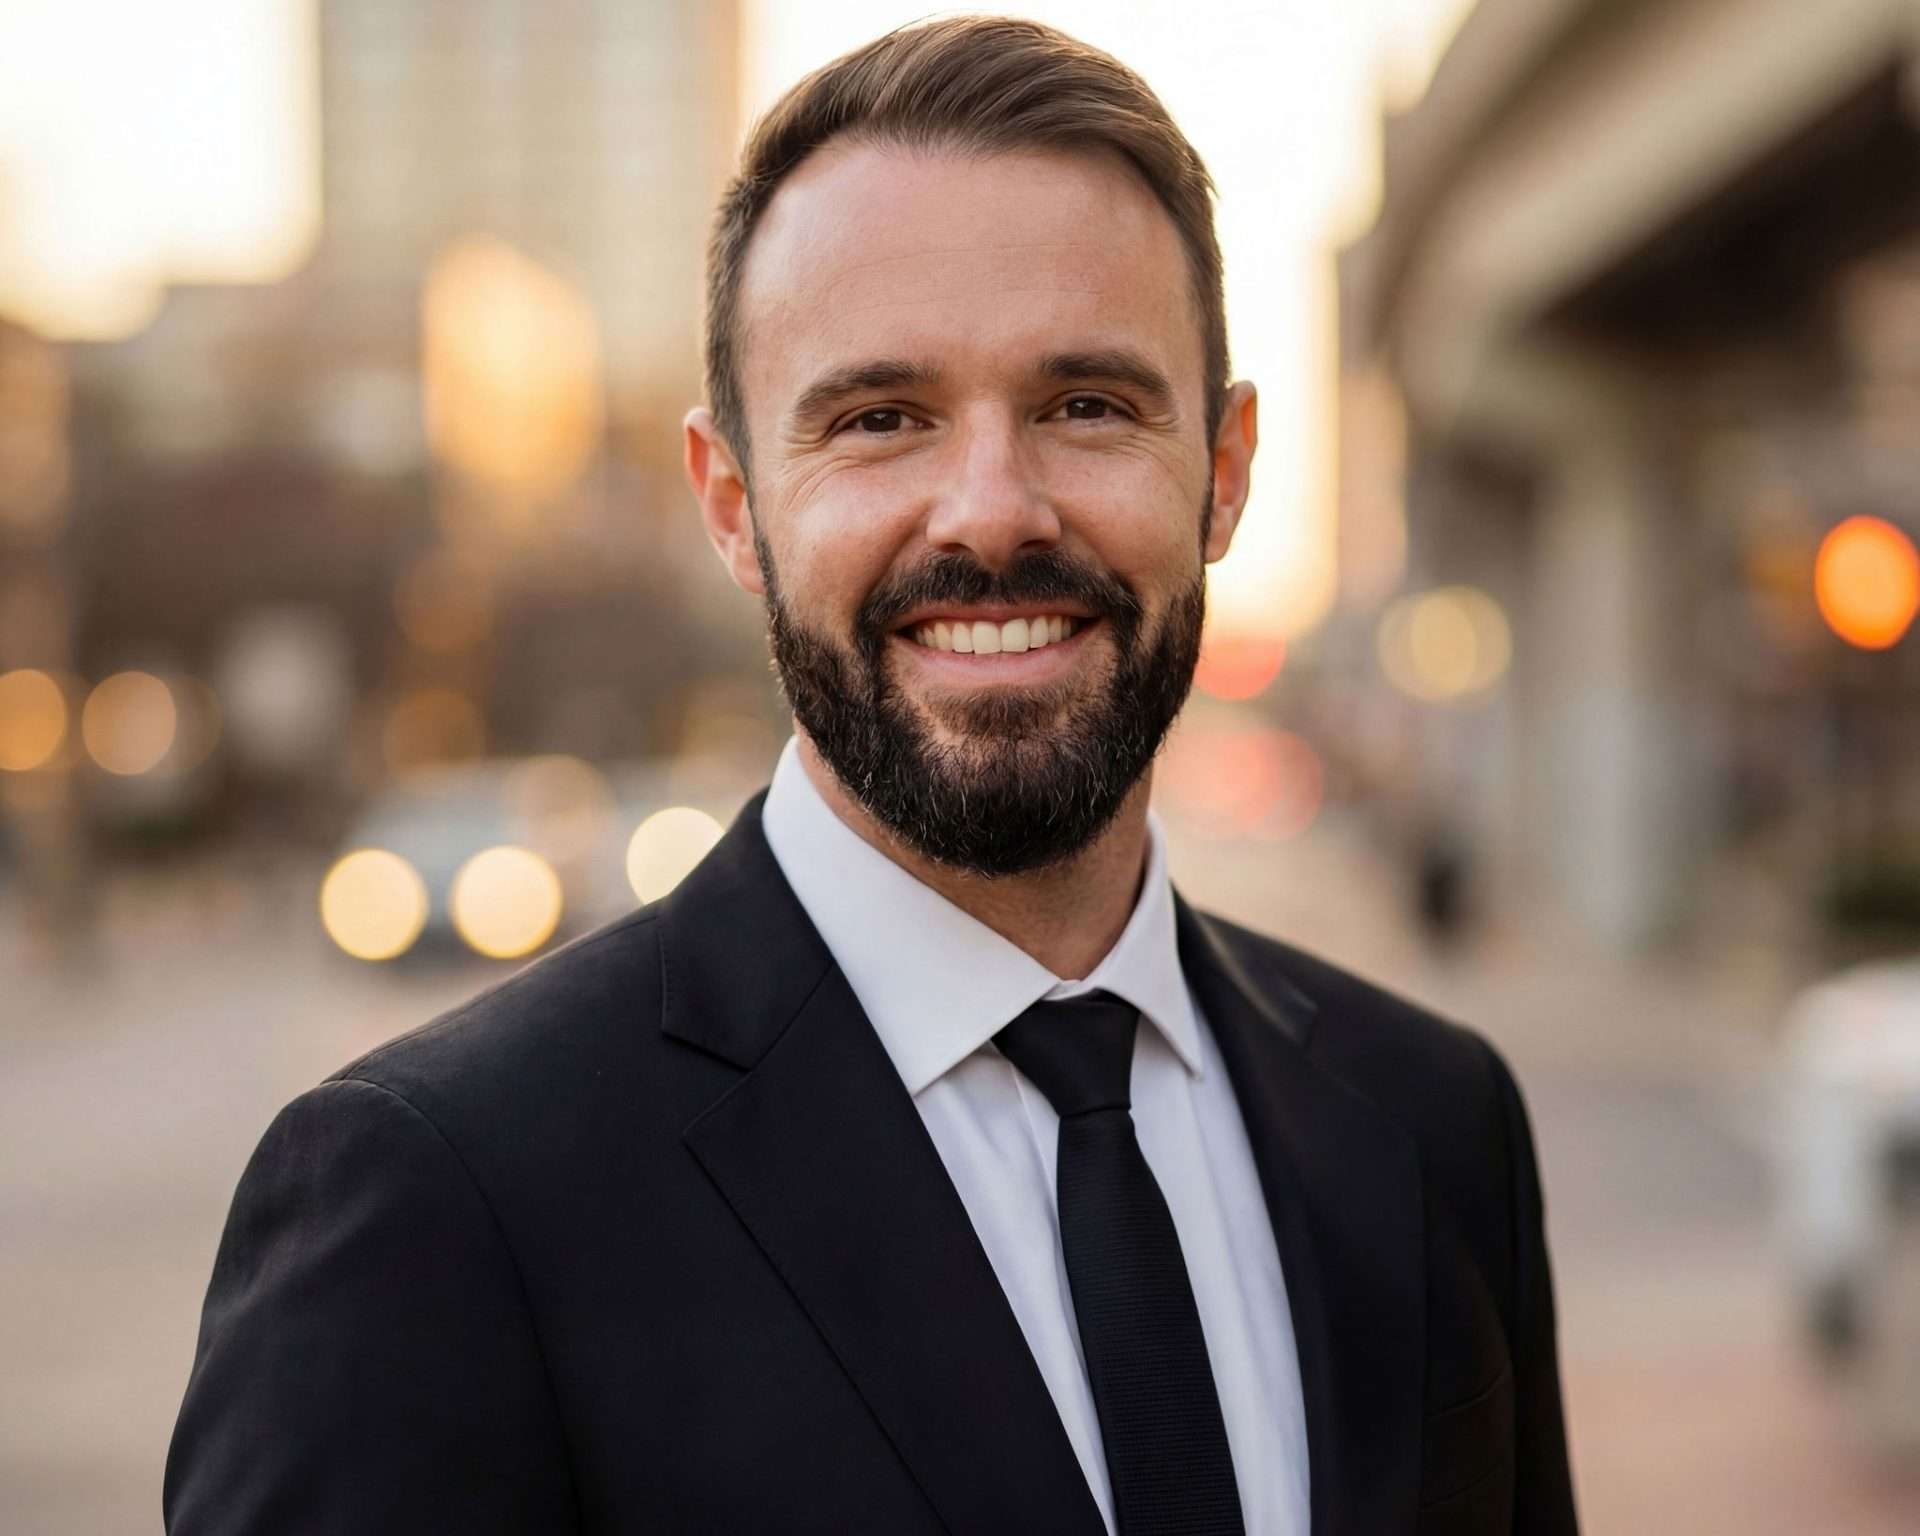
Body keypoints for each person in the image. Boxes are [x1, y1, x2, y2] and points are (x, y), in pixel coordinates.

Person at [165, 18, 1578, 1534]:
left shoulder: (1433, 1123)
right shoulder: (434, 1202)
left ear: (1226, 470)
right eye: (879, 419)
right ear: (733, 502)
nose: (989, 512)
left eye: (1087, 405)